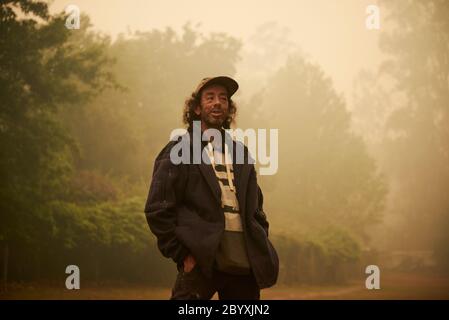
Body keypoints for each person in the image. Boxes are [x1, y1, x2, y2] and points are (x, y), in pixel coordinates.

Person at [144, 76, 278, 300]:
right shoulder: (179, 150)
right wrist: (183, 254)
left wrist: (258, 237)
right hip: (201, 263)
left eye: (223, 98)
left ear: (229, 108)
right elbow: (157, 209)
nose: (218, 102)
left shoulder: (241, 153)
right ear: (197, 108)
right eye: (210, 97)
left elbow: (256, 207)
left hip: (244, 266)